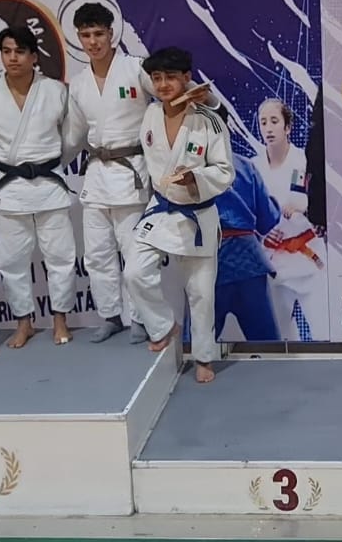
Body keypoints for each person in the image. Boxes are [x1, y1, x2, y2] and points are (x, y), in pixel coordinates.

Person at [66, 3, 218, 343]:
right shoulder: (78, 84)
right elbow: (74, 135)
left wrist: (208, 101)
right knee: (97, 254)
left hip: (131, 173)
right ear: (78, 38)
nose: (93, 41)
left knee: (133, 251)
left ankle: (140, 318)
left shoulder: (135, 69)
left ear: (112, 33)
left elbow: (173, 91)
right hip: (96, 175)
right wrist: (49, 163)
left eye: (99, 33)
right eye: (86, 35)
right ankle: (109, 315)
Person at [126, 47, 235, 384]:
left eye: (170, 77)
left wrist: (195, 179)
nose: (163, 84)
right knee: (134, 272)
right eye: (157, 78)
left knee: (201, 294)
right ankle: (163, 326)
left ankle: (203, 357)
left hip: (196, 214)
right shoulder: (150, 115)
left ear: (187, 78)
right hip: (160, 209)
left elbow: (225, 171)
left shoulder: (208, 120)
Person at [0, 25, 83, 348]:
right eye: (6, 51)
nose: (13, 58)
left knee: (61, 257)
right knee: (12, 261)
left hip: (50, 184)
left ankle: (60, 319)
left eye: (20, 51)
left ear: (33, 56)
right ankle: (24, 322)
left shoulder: (55, 91)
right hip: (11, 188)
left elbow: (73, 136)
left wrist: (52, 162)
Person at [254, 98, 326, 342]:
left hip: (307, 257)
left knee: (323, 331)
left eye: (274, 121)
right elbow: (249, 212)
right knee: (278, 336)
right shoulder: (254, 167)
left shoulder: (302, 161)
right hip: (272, 262)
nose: (268, 128)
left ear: (287, 127)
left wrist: (300, 209)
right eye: (263, 122)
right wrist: (263, 232)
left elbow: (301, 201)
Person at [212, 151, 282, 341]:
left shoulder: (188, 168)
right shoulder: (244, 165)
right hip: (249, 264)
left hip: (210, 264)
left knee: (196, 348)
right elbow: (267, 220)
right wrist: (275, 205)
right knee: (268, 347)